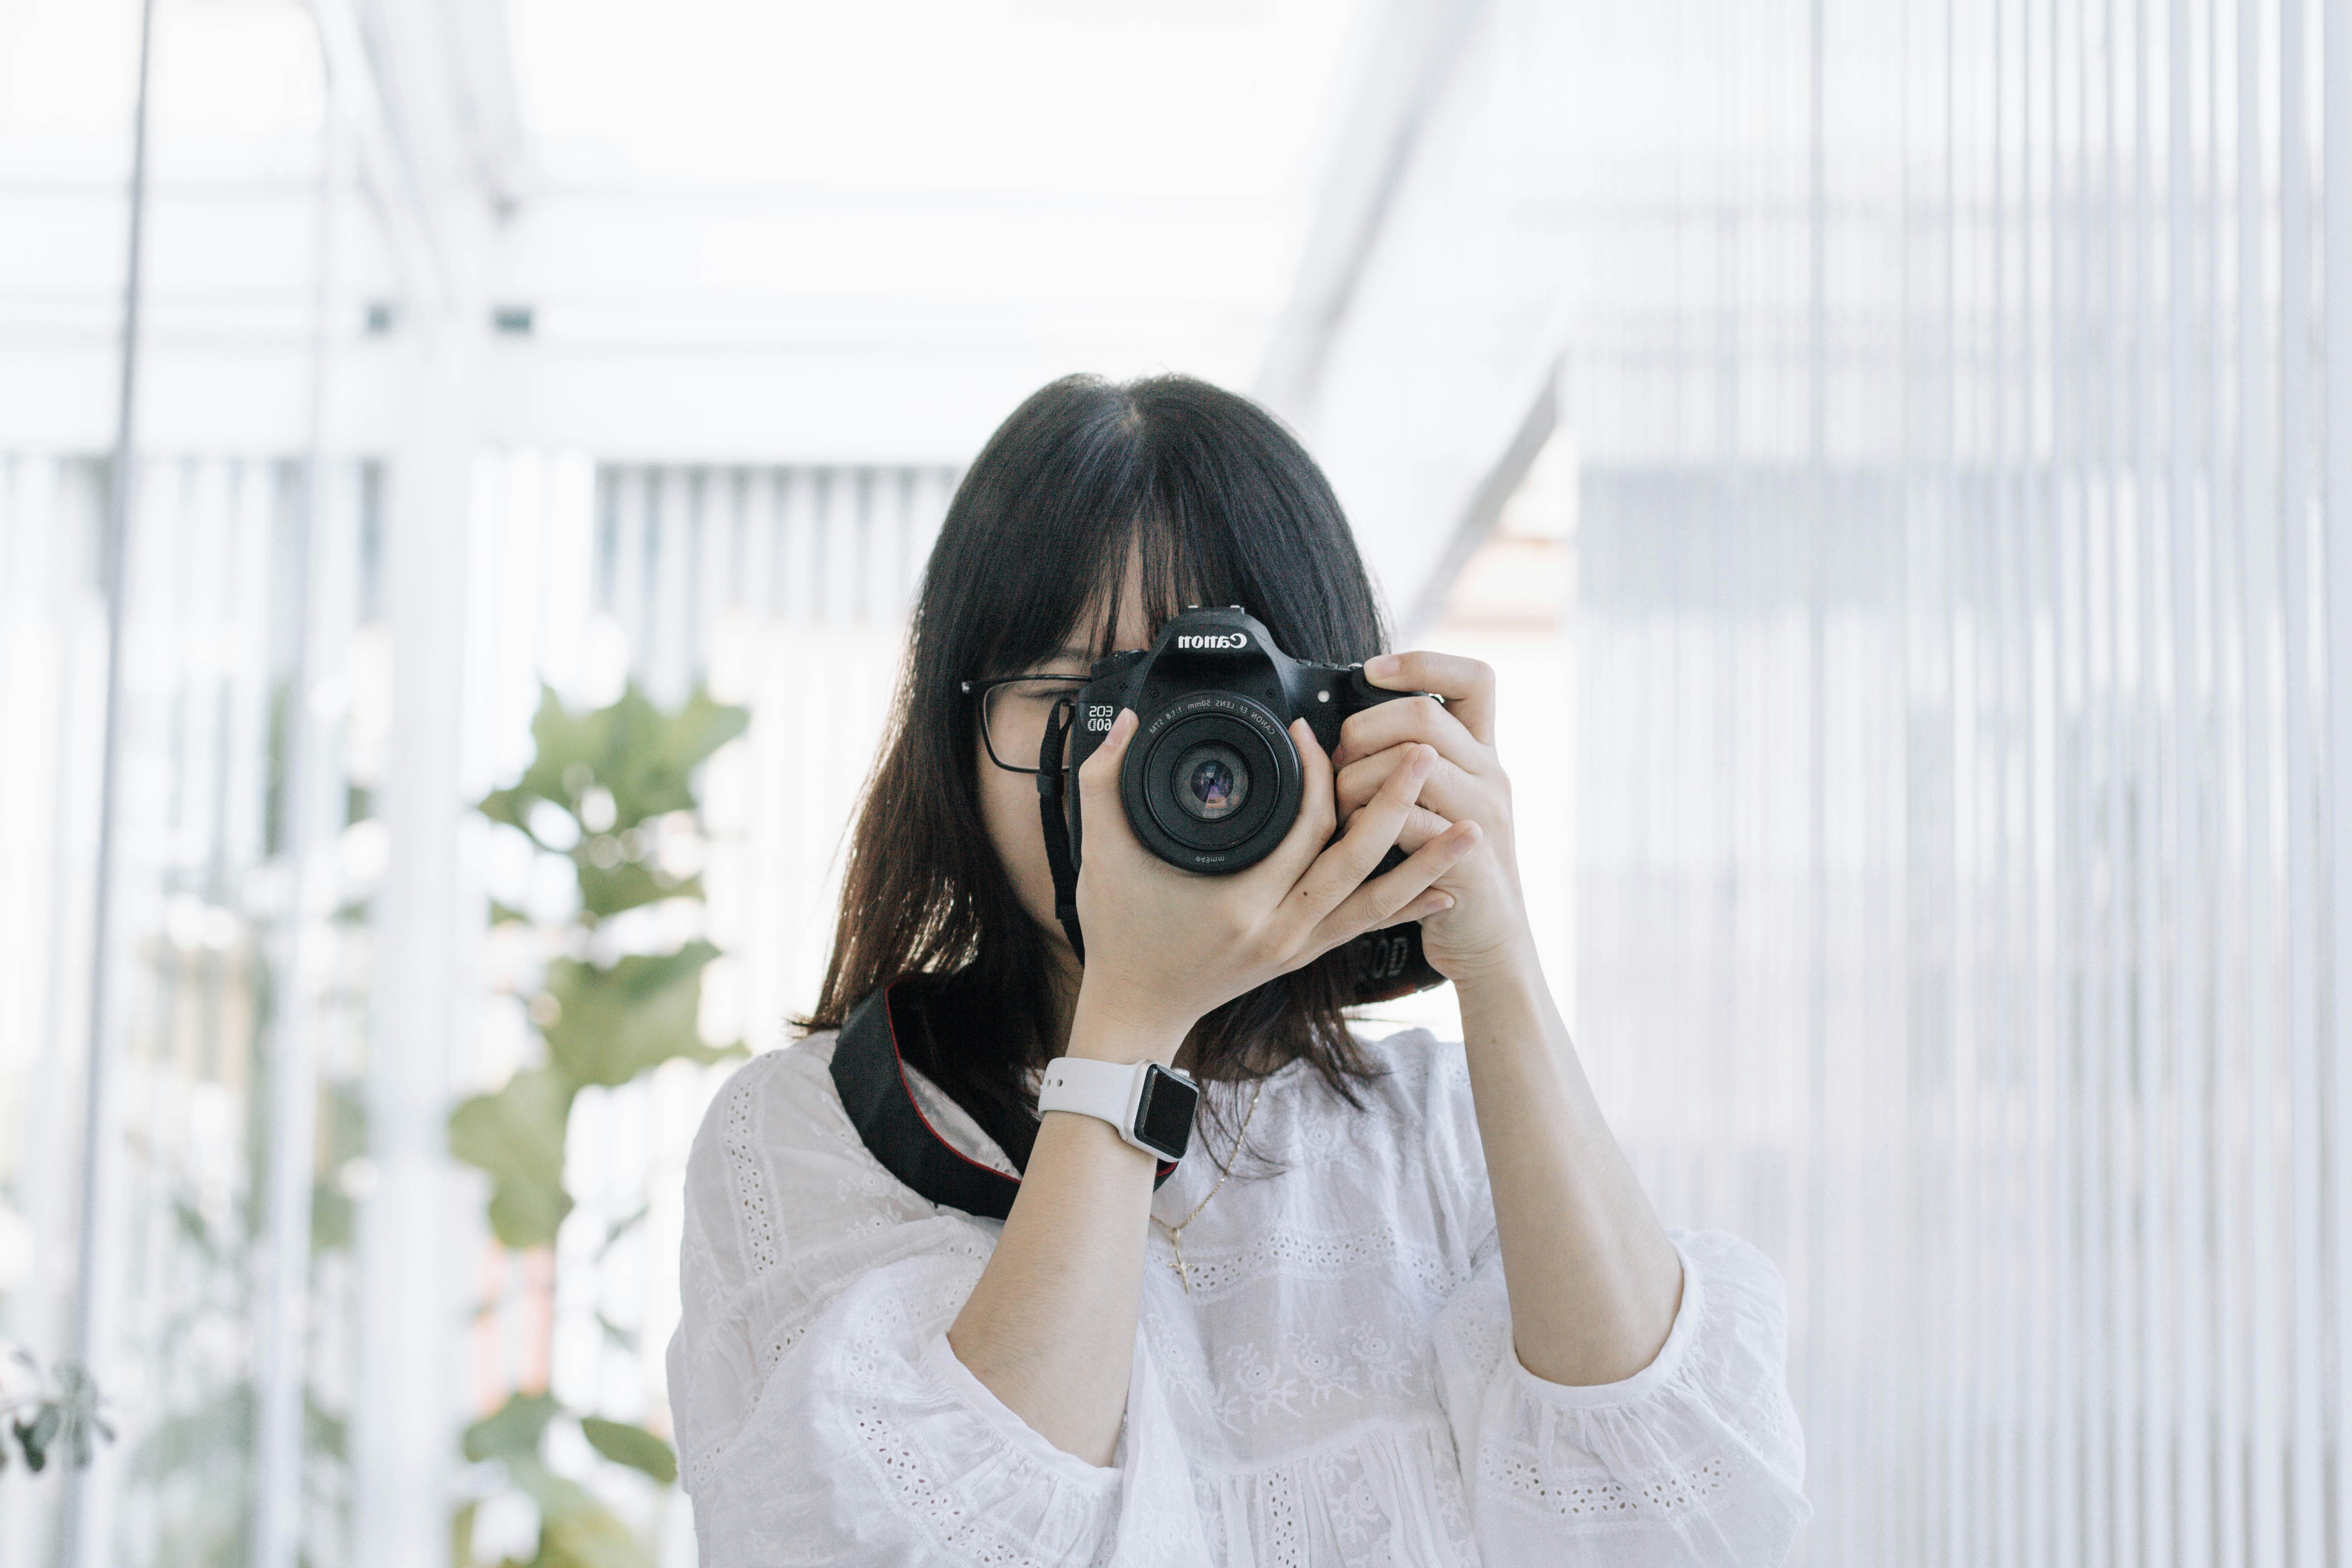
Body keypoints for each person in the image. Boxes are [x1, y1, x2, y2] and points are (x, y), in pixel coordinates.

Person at [666, 374, 1809, 1565]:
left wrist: (1498, 958)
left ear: (1343, 719)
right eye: (1074, 699)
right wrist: (1133, 1017)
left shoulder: (1445, 1138)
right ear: (960, 736)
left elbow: (1691, 1526)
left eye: (1221, 708)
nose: (1148, 762)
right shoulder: (812, 1136)